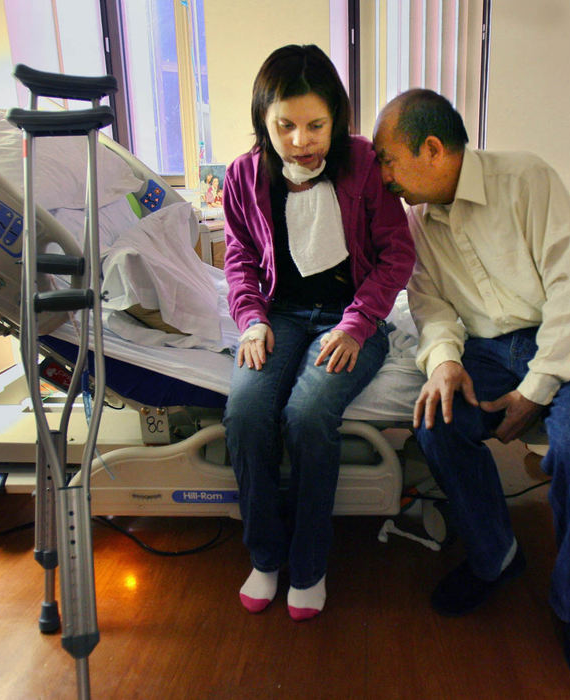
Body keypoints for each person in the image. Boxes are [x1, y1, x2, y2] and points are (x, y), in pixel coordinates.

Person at [373, 89, 570, 682]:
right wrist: (444, 364)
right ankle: (496, 555)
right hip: (485, 350)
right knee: (436, 426)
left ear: (432, 149)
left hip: (567, 338)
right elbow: (429, 305)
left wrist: (538, 387)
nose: (384, 178)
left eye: (387, 160)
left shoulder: (526, 179)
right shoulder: (419, 221)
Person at [221, 45, 415, 622]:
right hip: (278, 315)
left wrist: (358, 325)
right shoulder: (245, 174)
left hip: (353, 317)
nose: (301, 141)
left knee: (307, 416)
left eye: (315, 125)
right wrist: (250, 318)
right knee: (247, 413)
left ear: (337, 119)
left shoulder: (361, 163)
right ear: (263, 119)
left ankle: (308, 564)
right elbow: (239, 259)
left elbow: (396, 254)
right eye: (285, 125)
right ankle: (265, 556)